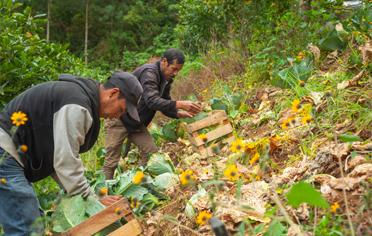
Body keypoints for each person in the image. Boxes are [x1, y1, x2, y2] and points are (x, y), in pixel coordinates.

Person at [0, 71, 143, 235]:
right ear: (113, 93)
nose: (119, 116)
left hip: (10, 155)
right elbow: (65, 160)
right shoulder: (77, 105)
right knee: (26, 226)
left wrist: (83, 195)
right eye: (122, 109)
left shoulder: (80, 97)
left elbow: (56, 161)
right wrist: (91, 198)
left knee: (33, 222)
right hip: (5, 153)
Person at [103, 48, 202, 180]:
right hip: (119, 119)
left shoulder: (166, 78)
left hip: (137, 122)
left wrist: (178, 113)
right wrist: (180, 103)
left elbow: (164, 102)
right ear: (164, 61)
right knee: (111, 161)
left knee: (151, 154)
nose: (175, 73)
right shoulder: (149, 73)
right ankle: (104, 194)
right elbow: (151, 100)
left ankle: (142, 182)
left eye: (178, 70)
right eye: (173, 68)